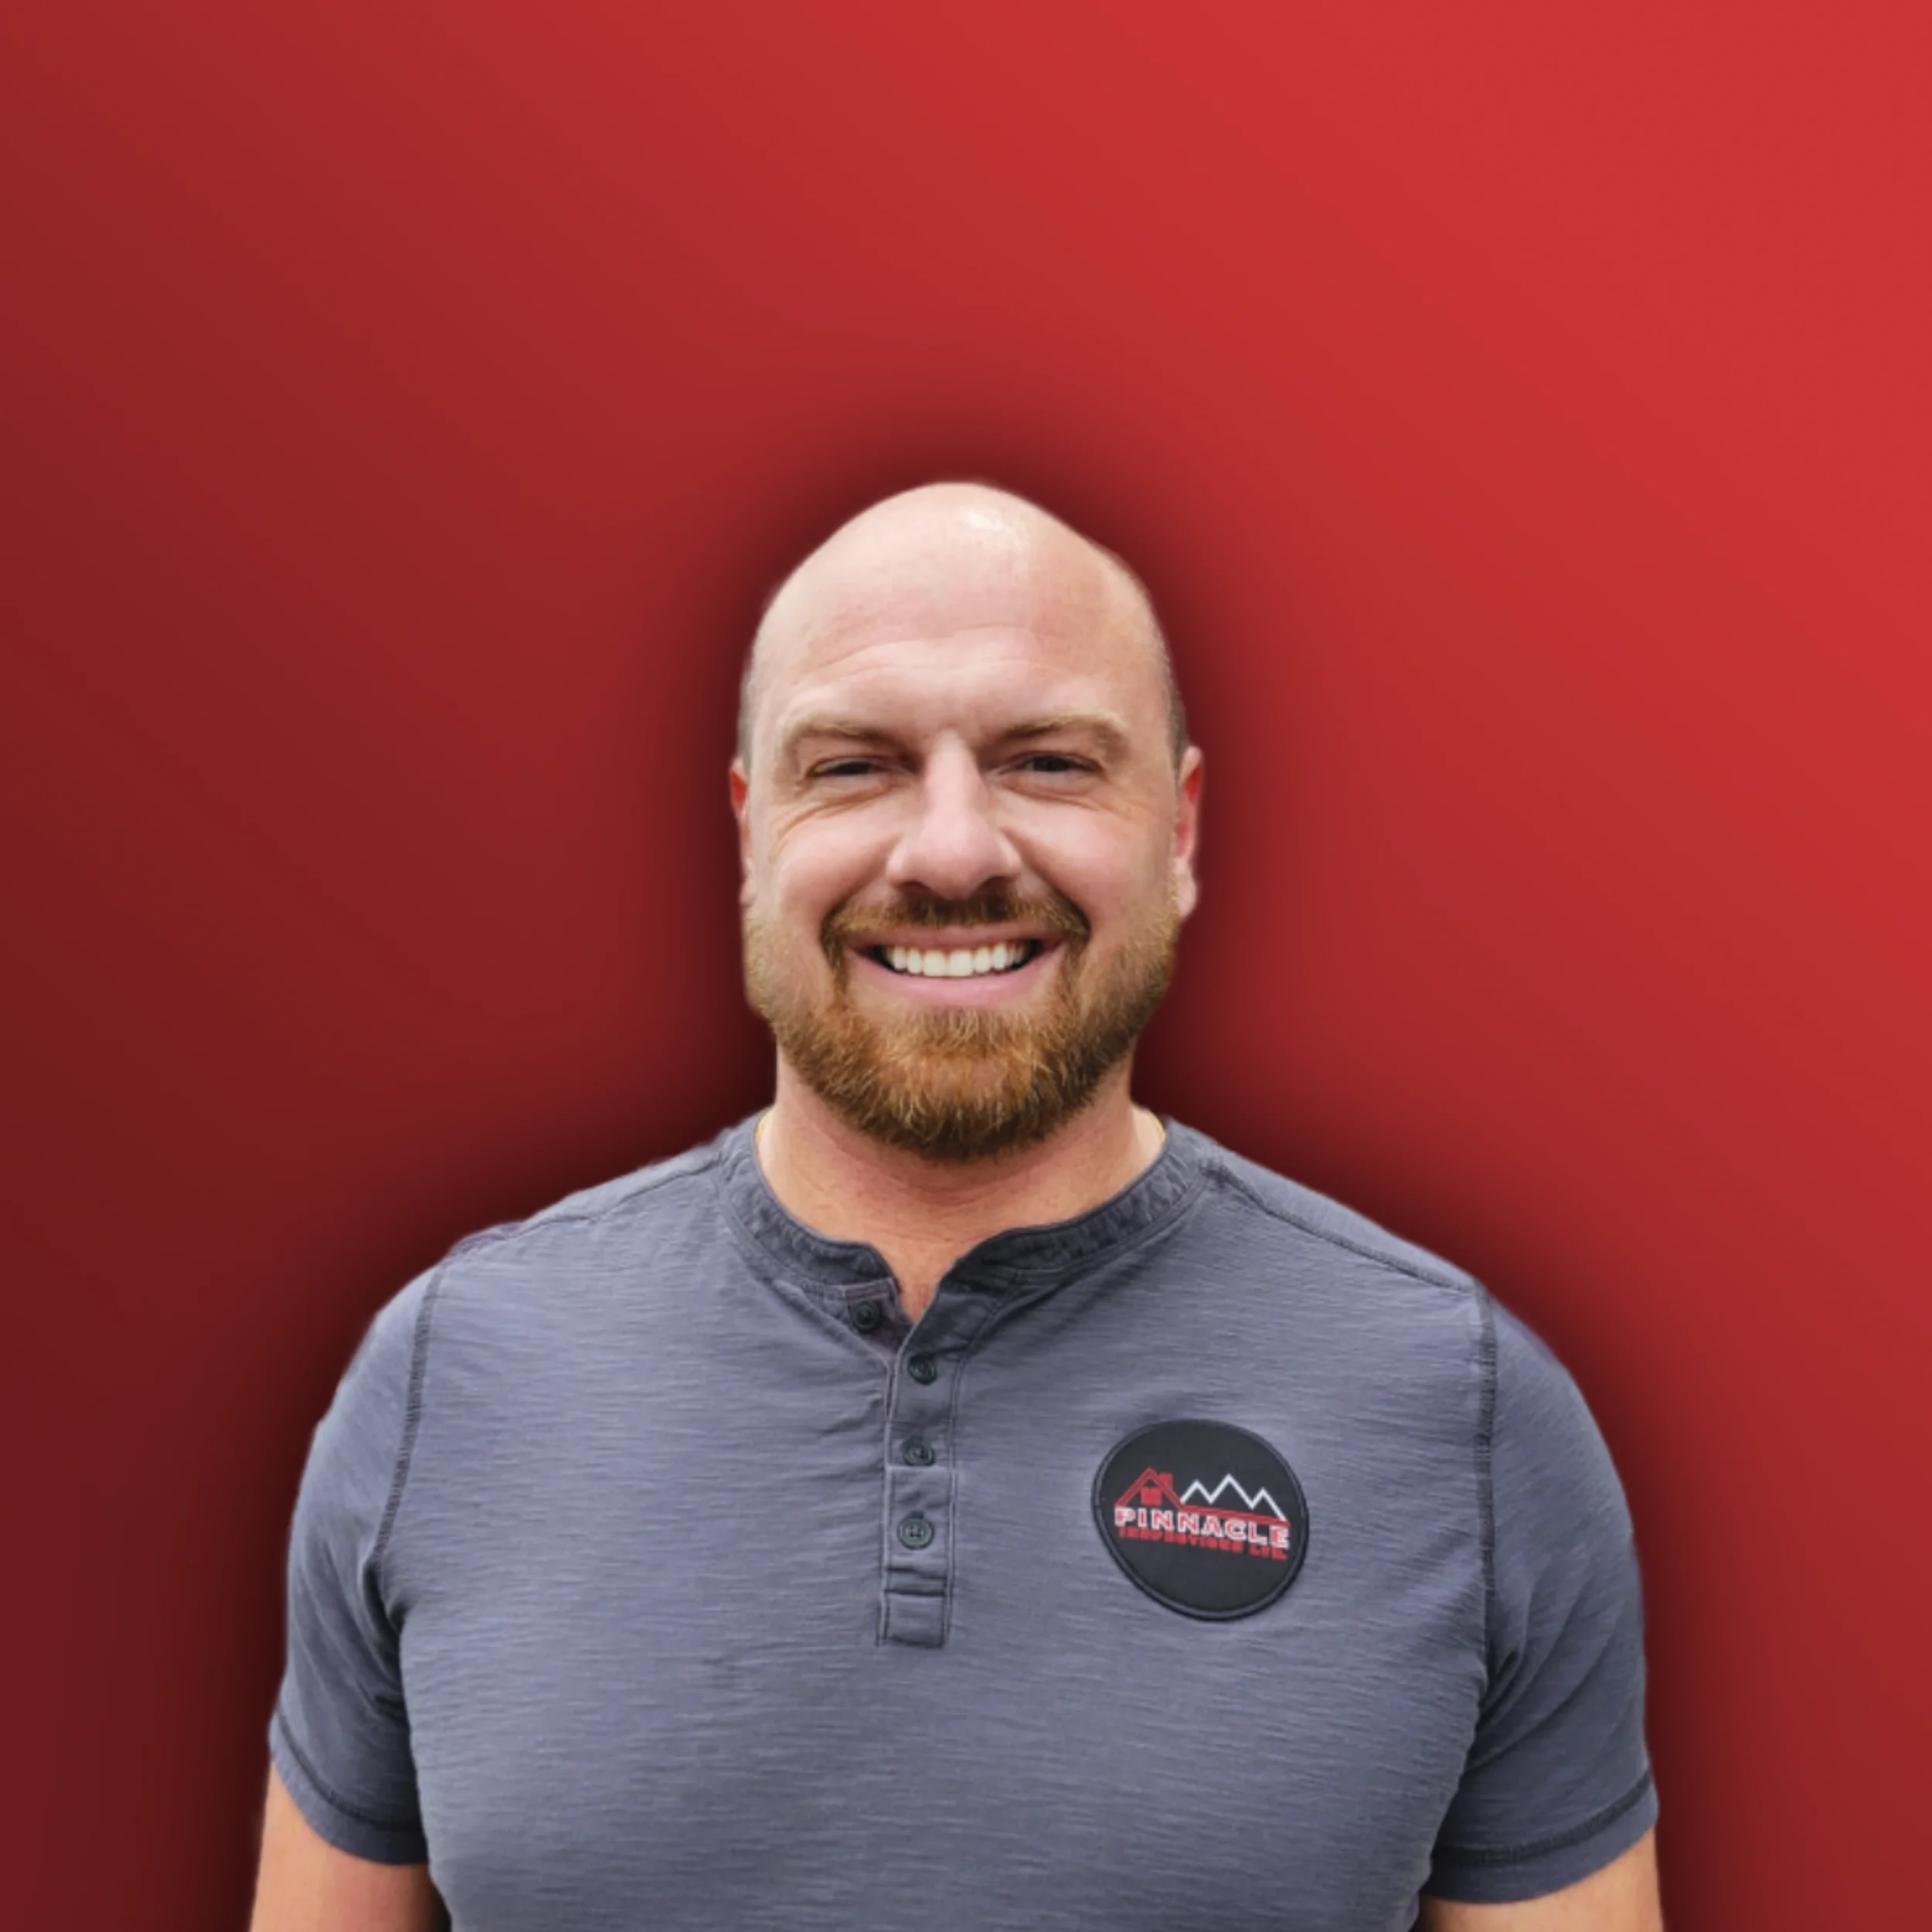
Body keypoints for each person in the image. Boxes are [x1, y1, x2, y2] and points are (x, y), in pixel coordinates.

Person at [250, 483, 1664, 1931]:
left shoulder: (1461, 1405)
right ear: (749, 832)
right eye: (855, 766)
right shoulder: (454, 1374)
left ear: (1178, 830)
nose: (949, 853)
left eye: (1046, 760)